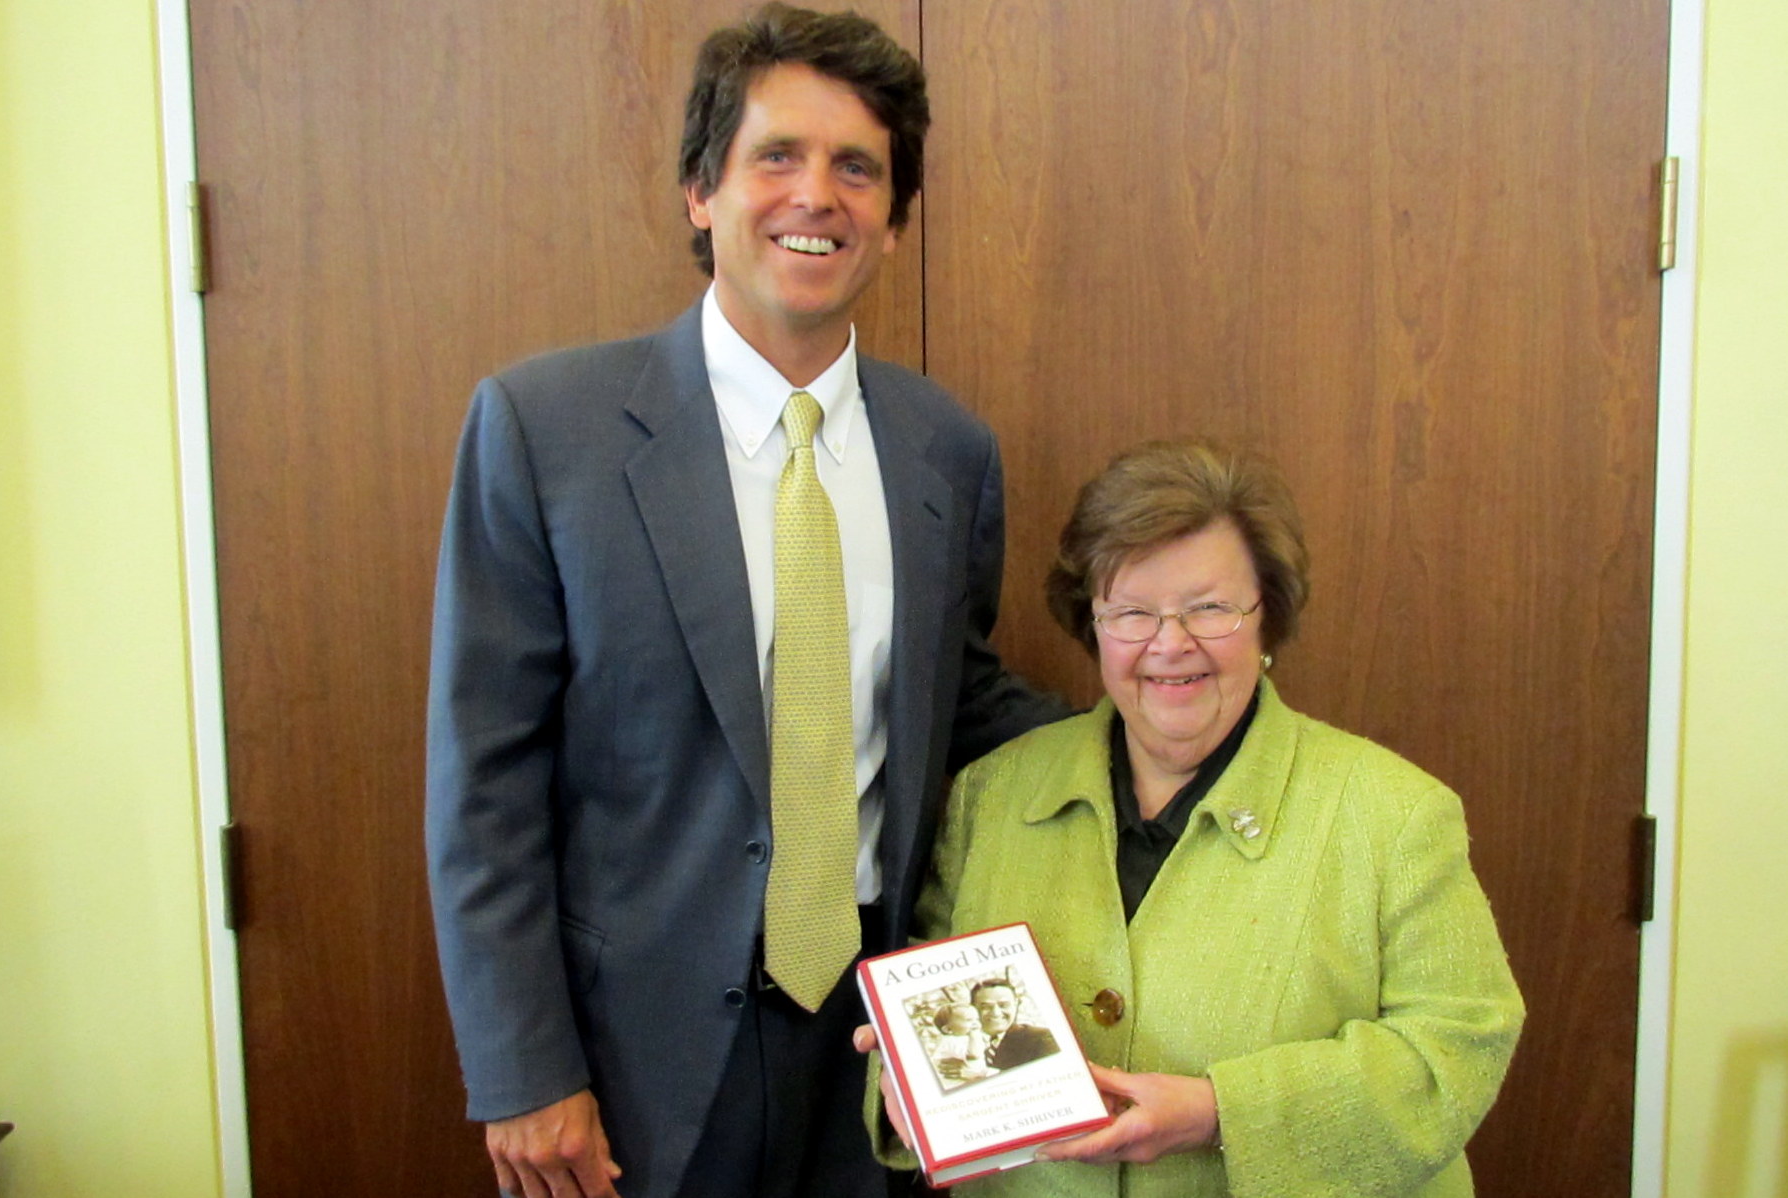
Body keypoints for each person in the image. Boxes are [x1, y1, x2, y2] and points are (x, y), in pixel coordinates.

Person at [424, 6, 1062, 1198]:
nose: (815, 195)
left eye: (857, 168)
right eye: (777, 155)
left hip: (881, 1035)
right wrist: (520, 1067)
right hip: (636, 1055)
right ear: (699, 191)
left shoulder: (949, 454)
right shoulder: (543, 430)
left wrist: (1152, 727)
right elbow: (483, 782)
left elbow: (952, 701)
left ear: (892, 215)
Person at [861, 440, 1524, 1196]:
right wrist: (906, 1073)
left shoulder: (1396, 816)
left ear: (1266, 618)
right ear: (1092, 625)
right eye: (1133, 612)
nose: (1170, 645)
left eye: (1209, 608)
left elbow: (1456, 1048)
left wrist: (1221, 1112)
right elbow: (929, 986)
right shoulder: (992, 794)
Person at [969, 980, 1060, 1071]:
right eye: (986, 1007)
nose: (996, 1013)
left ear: (1016, 1004)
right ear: (972, 1008)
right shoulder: (961, 1042)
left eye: (1003, 1005)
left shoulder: (1040, 1038)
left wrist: (983, 1075)